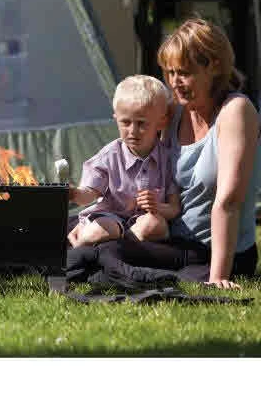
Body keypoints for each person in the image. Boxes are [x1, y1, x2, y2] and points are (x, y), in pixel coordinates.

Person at [67, 17, 261, 289]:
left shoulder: (236, 111)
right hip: (168, 237)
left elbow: (228, 201)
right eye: (170, 73)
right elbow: (134, 148)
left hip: (210, 252)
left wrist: (218, 276)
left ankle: (80, 263)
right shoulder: (175, 111)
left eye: (184, 72)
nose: (175, 82)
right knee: (76, 226)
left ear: (215, 66)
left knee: (109, 251)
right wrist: (91, 215)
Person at [68, 75, 180, 247]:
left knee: (156, 225)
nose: (133, 131)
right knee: (99, 230)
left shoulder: (168, 159)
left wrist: (157, 206)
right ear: (116, 119)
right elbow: (88, 194)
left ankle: (119, 247)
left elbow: (174, 208)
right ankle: (78, 249)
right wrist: (73, 193)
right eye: (126, 122)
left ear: (161, 123)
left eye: (142, 123)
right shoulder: (110, 156)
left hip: (143, 221)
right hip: (112, 217)